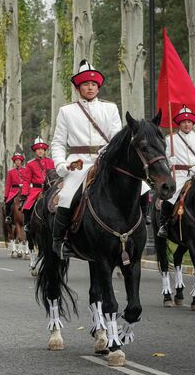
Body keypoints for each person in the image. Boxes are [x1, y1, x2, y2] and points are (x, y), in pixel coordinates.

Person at [51, 60, 134, 259]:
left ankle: (136, 232)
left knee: (142, 189)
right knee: (66, 195)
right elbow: (58, 143)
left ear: (98, 87)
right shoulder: (66, 111)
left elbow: (117, 138)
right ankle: (59, 241)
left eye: (94, 84)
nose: (90, 87)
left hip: (107, 161)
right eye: (86, 84)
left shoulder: (111, 108)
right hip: (78, 163)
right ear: (78, 87)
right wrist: (61, 165)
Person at [157, 106, 195, 238]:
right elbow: (164, 159)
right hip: (180, 174)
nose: (187, 124)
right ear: (179, 124)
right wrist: (171, 161)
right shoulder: (170, 138)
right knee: (171, 194)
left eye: (189, 122)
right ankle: (163, 224)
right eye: (183, 122)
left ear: (192, 123)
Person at [20, 138, 55, 233]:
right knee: (27, 207)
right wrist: (24, 193)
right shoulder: (30, 164)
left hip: (50, 189)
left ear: (44, 150)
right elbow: (26, 181)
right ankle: (27, 224)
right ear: (35, 151)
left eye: (42, 149)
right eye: (38, 149)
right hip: (36, 190)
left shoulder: (51, 162)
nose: (40, 151)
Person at [4, 152, 27, 225]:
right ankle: (8, 217)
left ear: (21, 161)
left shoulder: (26, 170)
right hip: (14, 191)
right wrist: (6, 195)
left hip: (24, 190)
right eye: (16, 160)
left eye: (19, 160)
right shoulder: (10, 172)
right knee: (8, 203)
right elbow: (8, 184)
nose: (17, 162)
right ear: (14, 162)